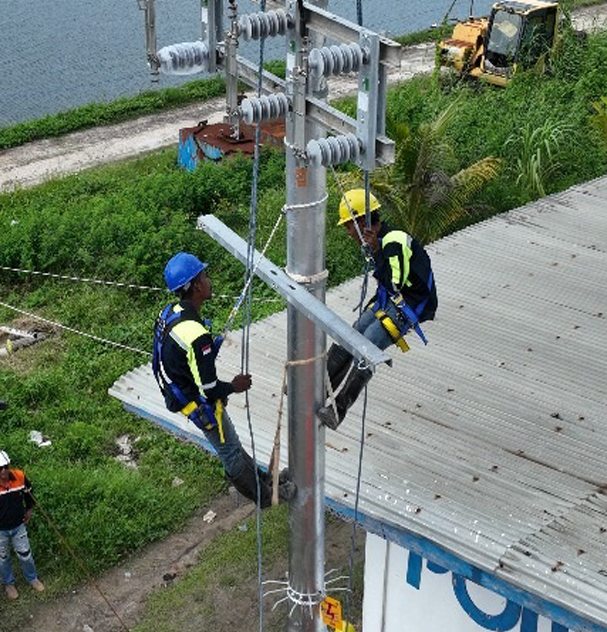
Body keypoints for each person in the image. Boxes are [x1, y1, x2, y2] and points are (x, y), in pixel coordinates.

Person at [154, 253, 291, 504]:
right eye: (205, 277)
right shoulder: (196, 335)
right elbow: (209, 389)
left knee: (233, 443)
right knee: (229, 450)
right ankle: (265, 497)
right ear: (196, 286)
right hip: (194, 399)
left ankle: (264, 480)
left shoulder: (171, 312)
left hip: (179, 387)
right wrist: (233, 387)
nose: (209, 281)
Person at [318, 189, 437, 430]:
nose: (349, 233)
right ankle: (320, 387)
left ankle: (338, 409)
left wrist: (376, 252)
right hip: (390, 296)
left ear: (362, 222)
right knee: (354, 333)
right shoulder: (379, 240)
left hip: (409, 302)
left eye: (349, 227)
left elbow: (396, 282)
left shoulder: (393, 241)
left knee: (368, 344)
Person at [0, 450, 45, 600]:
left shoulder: (20, 477)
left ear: (9, 464)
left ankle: (32, 578)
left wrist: (29, 509)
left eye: (5, 466)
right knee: (3, 558)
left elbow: (29, 493)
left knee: (25, 554)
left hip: (18, 525)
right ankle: (9, 584)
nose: (4, 471)